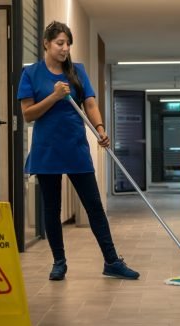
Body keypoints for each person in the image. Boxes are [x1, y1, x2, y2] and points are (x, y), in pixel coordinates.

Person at [17, 21, 139, 281]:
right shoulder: (31, 74)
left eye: (68, 44)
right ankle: (59, 262)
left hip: (75, 148)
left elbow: (90, 103)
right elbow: (28, 114)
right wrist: (53, 97)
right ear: (47, 44)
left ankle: (112, 261)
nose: (65, 48)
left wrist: (101, 128)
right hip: (47, 150)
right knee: (51, 208)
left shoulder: (77, 71)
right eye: (60, 43)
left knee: (94, 205)